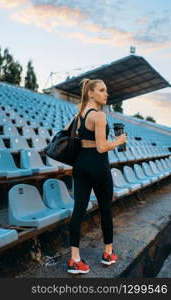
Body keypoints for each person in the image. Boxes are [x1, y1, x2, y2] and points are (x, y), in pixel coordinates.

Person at [66, 78, 127, 274]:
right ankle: (108, 253)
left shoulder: (79, 115)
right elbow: (101, 147)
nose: (106, 93)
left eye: (106, 90)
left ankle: (74, 259)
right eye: (102, 90)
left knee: (78, 210)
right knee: (106, 210)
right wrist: (119, 141)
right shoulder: (99, 116)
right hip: (98, 165)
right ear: (90, 93)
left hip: (80, 165)